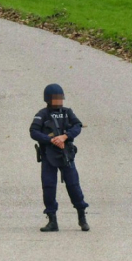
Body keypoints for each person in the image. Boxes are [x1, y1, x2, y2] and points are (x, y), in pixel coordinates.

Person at [29, 83, 89, 232]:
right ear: (48, 99)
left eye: (60, 98)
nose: (58, 101)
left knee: (73, 185)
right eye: (55, 98)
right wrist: (50, 140)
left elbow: (77, 126)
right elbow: (33, 131)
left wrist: (64, 136)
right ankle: (52, 220)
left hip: (66, 154)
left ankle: (82, 217)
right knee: (49, 186)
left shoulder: (68, 112)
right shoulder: (42, 114)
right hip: (49, 155)